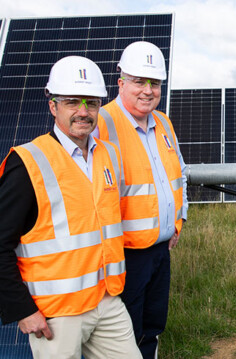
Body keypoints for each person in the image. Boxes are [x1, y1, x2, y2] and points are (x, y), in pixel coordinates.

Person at [0, 56, 141, 358]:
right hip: (56, 313)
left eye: (91, 103)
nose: (83, 112)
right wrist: (21, 309)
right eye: (72, 102)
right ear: (53, 106)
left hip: (106, 301)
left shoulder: (110, 156)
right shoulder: (27, 163)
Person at [96, 40, 188, 359]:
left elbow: (180, 174)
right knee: (125, 332)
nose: (147, 90)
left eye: (154, 83)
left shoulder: (163, 123)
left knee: (152, 324)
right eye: (139, 81)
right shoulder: (101, 124)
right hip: (125, 254)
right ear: (121, 82)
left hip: (161, 249)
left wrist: (179, 219)